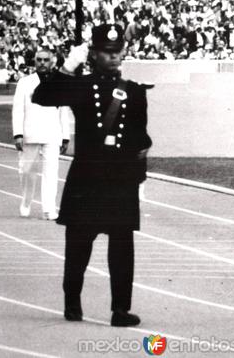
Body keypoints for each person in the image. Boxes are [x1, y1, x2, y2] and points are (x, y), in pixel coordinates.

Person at [32, 24, 152, 328]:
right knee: (78, 247)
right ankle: (72, 302)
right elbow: (42, 96)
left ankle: (120, 309)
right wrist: (69, 66)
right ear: (94, 54)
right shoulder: (81, 86)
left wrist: (137, 179)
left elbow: (140, 140)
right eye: (106, 52)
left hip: (120, 180)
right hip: (87, 179)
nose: (114, 57)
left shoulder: (135, 91)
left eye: (117, 51)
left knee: (122, 249)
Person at [12, 48, 71, 219]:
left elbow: (63, 110)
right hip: (30, 132)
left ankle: (49, 209)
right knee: (26, 170)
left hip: (52, 132)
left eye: (46, 60)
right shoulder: (25, 82)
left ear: (52, 61)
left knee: (51, 172)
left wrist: (65, 136)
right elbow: (18, 110)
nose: (42, 63)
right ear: (35, 61)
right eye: (39, 60)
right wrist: (18, 134)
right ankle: (26, 200)